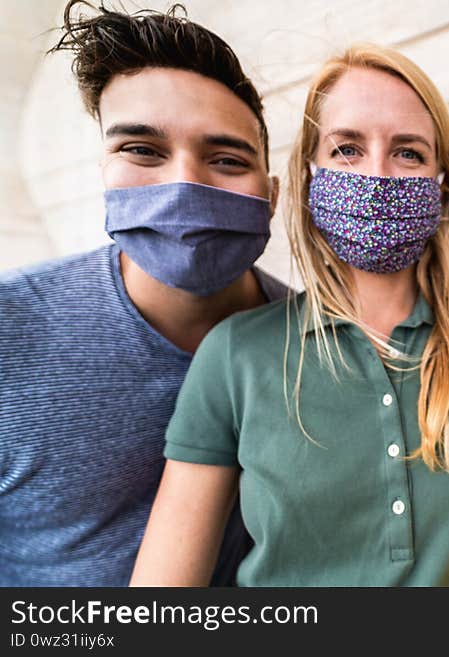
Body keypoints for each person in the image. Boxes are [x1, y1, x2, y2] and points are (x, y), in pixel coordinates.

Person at [130, 43, 449, 587]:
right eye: (347, 149)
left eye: (409, 153)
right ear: (309, 176)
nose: (377, 174)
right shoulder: (235, 353)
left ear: (442, 187)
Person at [0, 1, 285, 586]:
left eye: (226, 159)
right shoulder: (11, 329)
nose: (184, 184)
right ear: (103, 168)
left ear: (272, 195)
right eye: (143, 150)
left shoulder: (318, 344)